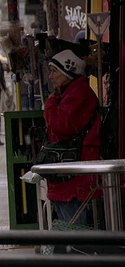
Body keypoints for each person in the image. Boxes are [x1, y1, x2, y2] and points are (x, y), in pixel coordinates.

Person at [44, 49, 101, 225]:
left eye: (54, 71)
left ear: (67, 73)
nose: (50, 77)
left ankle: (77, 252)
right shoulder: (69, 93)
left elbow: (62, 126)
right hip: (68, 172)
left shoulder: (78, 93)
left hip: (76, 171)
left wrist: (50, 104)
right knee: (68, 224)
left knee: (73, 227)